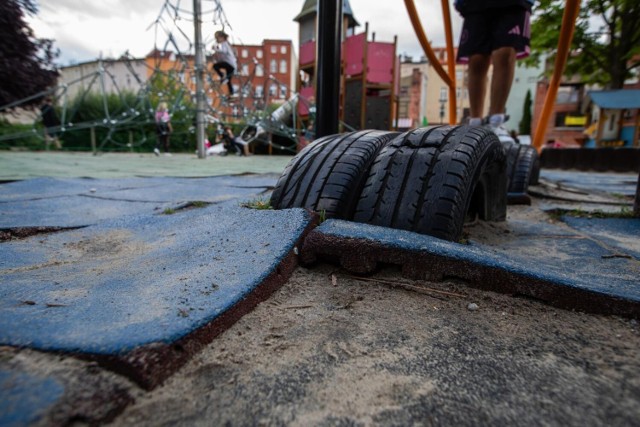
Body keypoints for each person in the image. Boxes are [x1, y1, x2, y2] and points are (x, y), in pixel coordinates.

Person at [455, 0, 533, 132]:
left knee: (505, 52)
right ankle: (475, 123)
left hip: (513, 4)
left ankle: (496, 120)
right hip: (475, 5)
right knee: (476, 59)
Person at [212, 30, 237, 97]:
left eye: (217, 38)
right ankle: (231, 94)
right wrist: (216, 55)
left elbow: (224, 51)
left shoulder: (224, 43)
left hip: (229, 64)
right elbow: (222, 57)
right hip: (232, 65)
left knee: (215, 66)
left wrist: (216, 48)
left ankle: (222, 76)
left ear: (222, 37)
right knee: (228, 81)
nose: (216, 40)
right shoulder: (224, 44)